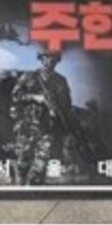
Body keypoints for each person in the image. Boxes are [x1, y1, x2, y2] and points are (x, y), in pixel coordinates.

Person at [10, 51, 73, 185]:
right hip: (27, 126)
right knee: (22, 162)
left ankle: (33, 191)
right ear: (42, 59)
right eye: (47, 58)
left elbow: (67, 104)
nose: (50, 61)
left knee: (41, 164)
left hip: (47, 128)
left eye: (54, 59)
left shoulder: (61, 81)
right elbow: (15, 96)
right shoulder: (29, 77)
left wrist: (56, 111)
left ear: (57, 61)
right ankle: (19, 188)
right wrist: (35, 97)